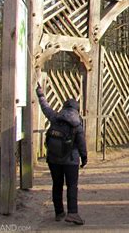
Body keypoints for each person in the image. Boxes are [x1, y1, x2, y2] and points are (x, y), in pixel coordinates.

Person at [36, 84, 87, 225]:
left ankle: (59, 213)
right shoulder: (77, 123)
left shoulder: (55, 117)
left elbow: (44, 107)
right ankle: (73, 213)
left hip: (53, 159)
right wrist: (84, 158)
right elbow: (81, 143)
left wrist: (40, 94)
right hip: (71, 160)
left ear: (64, 107)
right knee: (72, 186)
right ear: (77, 109)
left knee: (56, 185)